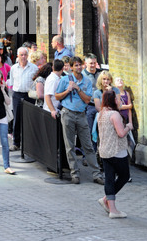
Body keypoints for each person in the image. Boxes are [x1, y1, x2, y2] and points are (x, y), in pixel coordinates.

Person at [55, 56, 104, 185]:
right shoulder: (65, 80)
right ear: (71, 67)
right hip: (68, 114)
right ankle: (74, 174)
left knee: (87, 145)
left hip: (81, 114)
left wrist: (78, 88)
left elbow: (87, 100)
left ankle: (96, 174)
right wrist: (68, 90)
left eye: (79, 65)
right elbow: (57, 96)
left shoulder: (87, 81)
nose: (78, 67)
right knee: (69, 145)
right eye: (75, 65)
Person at [97, 90, 133, 218]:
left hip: (105, 151)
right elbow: (121, 133)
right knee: (124, 176)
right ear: (112, 100)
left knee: (109, 179)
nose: (119, 101)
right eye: (117, 99)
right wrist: (128, 126)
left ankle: (111, 206)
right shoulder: (114, 114)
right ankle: (110, 204)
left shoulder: (101, 114)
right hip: (117, 151)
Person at [9, 47, 38, 151]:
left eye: (25, 54)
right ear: (18, 56)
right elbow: (12, 83)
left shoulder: (34, 68)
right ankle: (16, 143)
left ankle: (29, 144)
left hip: (29, 95)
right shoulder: (13, 68)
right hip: (17, 95)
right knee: (17, 119)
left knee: (29, 119)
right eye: (21, 55)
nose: (23, 57)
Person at [82, 53, 102, 151]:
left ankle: (97, 154)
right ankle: (87, 155)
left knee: (99, 131)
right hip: (89, 106)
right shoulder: (82, 75)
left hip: (101, 106)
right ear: (86, 63)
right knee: (88, 131)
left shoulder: (100, 73)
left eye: (94, 63)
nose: (93, 65)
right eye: (90, 63)